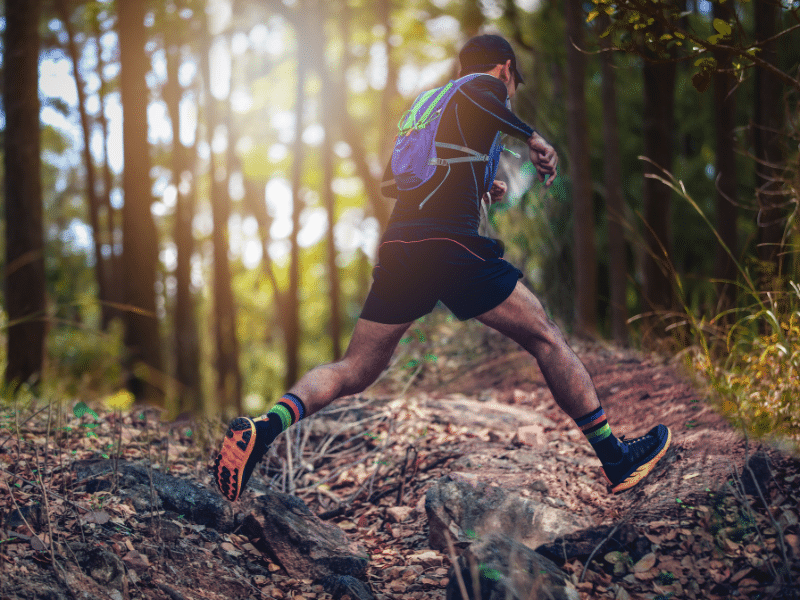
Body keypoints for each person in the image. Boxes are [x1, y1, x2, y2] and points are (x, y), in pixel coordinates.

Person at [213, 34, 671, 503]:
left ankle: (264, 427)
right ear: (506, 69)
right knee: (547, 336)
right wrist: (533, 136)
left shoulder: (427, 105)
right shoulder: (483, 86)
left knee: (354, 367)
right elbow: (487, 100)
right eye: (511, 83)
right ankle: (616, 458)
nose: (508, 92)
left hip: (402, 248)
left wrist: (477, 183)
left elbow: (399, 180)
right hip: (450, 246)